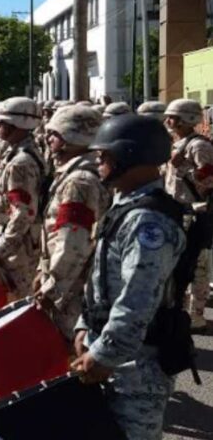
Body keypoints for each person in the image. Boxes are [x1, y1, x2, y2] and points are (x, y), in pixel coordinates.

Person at [72, 114, 186, 440]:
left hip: (137, 366)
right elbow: (102, 280)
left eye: (105, 155)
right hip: (111, 349)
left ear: (130, 157)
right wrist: (85, 323)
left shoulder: (148, 221)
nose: (98, 160)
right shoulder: (126, 205)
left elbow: (138, 297)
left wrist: (104, 354)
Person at [34, 105, 110, 340]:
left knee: (68, 353)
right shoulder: (75, 174)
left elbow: (72, 244)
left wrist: (52, 289)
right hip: (68, 281)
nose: (48, 138)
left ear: (73, 137)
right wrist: (42, 270)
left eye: (54, 133)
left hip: (73, 289)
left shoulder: (80, 182)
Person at [0, 97, 45, 297]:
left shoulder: (21, 162)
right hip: (15, 239)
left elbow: (24, 212)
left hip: (20, 247)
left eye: (1, 122)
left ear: (16, 124)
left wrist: (2, 247)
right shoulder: (17, 153)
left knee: (17, 298)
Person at [163, 98, 213, 331]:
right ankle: (179, 310)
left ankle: (196, 316)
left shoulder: (199, 146)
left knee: (198, 265)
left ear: (187, 120)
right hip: (176, 211)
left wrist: (182, 166)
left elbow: (207, 179)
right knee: (177, 265)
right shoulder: (176, 144)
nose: (168, 121)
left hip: (195, 212)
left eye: (172, 117)